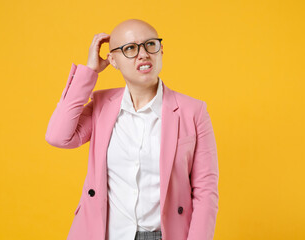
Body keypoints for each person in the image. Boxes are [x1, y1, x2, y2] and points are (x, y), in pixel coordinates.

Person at [45, 19, 219, 240]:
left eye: (150, 45)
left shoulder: (193, 111)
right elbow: (58, 136)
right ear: (113, 60)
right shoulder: (102, 105)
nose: (143, 54)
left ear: (161, 50)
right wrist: (89, 72)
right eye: (130, 48)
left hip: (162, 235)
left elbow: (206, 191)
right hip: (105, 233)